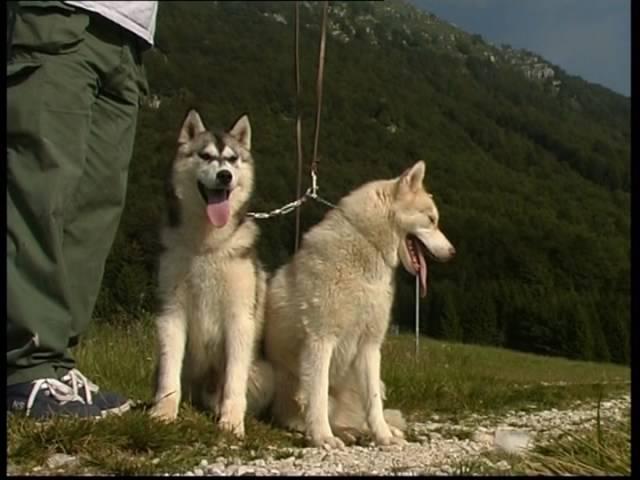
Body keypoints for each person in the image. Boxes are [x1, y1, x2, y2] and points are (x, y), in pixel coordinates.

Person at [7, 1, 159, 419]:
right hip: (62, 14)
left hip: (129, 36)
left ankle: (55, 364)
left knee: (94, 207)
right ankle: (23, 369)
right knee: (41, 189)